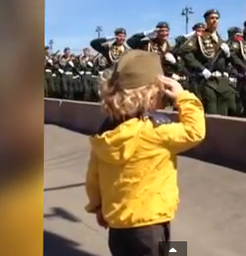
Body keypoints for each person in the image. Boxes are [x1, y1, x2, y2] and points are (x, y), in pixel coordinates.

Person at [84, 50, 206, 256]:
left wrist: (98, 208)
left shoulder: (104, 136)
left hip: (118, 228)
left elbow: (93, 179)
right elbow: (195, 131)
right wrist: (183, 96)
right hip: (153, 225)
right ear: (151, 97)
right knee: (171, 252)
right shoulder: (154, 133)